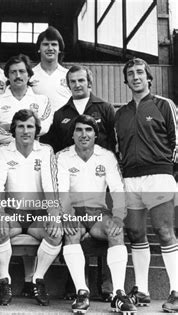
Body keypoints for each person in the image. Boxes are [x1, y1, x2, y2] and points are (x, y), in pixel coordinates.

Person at [115, 58, 178, 312]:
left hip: (159, 176)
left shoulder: (165, 105)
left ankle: (176, 290)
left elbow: (176, 142)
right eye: (130, 73)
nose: (135, 76)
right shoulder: (121, 113)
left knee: (164, 232)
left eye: (140, 72)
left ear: (148, 77)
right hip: (131, 178)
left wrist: (168, 170)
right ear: (126, 80)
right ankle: (142, 290)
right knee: (136, 233)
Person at [57, 115, 136, 313]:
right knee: (72, 232)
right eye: (79, 130)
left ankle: (118, 293)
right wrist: (66, 215)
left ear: (95, 134)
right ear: (73, 135)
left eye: (88, 130)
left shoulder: (107, 156)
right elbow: (62, 191)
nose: (84, 134)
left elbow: (118, 189)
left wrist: (118, 216)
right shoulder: (62, 156)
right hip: (74, 211)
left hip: (98, 212)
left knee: (116, 231)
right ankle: (82, 293)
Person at [0, 109, 62, 307]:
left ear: (36, 130)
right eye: (21, 126)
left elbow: (50, 185)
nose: (25, 131)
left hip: (38, 214)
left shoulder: (46, 150)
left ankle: (37, 280)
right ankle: (4, 281)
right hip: (12, 212)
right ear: (13, 130)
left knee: (56, 233)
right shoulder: (2, 151)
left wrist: (54, 214)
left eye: (30, 126)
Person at [45, 65, 116, 153]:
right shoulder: (60, 114)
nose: (77, 85)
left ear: (89, 83)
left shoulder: (106, 109)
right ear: (68, 85)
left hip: (99, 164)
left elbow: (114, 141)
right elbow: (56, 146)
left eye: (81, 80)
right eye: (73, 81)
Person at [0, 54, 51, 144]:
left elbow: (44, 128)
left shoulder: (43, 100)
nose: (18, 75)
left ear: (29, 75)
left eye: (22, 71)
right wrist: (30, 130)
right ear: (7, 76)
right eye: (13, 72)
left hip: (33, 154)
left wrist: (7, 126)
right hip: (5, 154)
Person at [30, 26, 71, 114]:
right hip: (38, 126)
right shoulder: (30, 75)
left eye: (54, 44)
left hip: (64, 126)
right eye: (45, 44)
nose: (50, 48)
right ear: (38, 49)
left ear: (60, 49)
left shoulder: (68, 75)